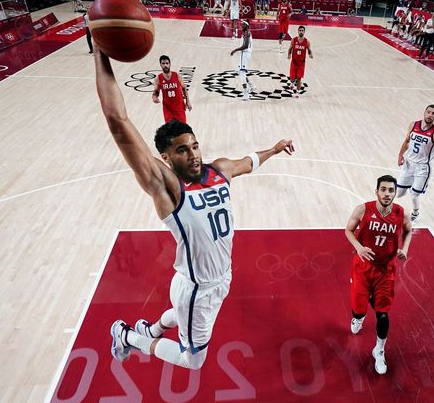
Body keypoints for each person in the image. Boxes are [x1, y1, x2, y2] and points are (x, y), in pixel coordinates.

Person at [93, 48, 296, 371]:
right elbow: (118, 121)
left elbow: (249, 162)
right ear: (166, 158)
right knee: (194, 360)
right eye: (182, 150)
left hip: (221, 279)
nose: (193, 155)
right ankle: (127, 335)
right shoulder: (168, 188)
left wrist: (274, 147)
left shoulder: (220, 170)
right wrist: (102, 53)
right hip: (196, 287)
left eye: (195, 145)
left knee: (180, 314)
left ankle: (152, 328)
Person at [345, 175, 413, 375]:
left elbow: (409, 231)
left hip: (385, 270)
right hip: (363, 267)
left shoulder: (402, 213)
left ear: (394, 193)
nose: (387, 194)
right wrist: (358, 247)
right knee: (358, 309)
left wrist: (405, 248)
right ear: (377, 192)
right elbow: (348, 230)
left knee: (382, 313)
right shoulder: (363, 209)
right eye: (383, 190)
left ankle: (379, 350)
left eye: (391, 190)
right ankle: (358, 318)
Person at [396, 104, 434, 223]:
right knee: (399, 194)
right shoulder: (413, 125)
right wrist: (400, 155)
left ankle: (415, 213)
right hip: (408, 164)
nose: (430, 115)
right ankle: (411, 186)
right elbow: (407, 141)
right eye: (428, 112)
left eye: (433, 113)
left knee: (414, 195)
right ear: (424, 112)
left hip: (423, 168)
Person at [152, 55, 192, 123]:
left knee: (182, 130)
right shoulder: (158, 78)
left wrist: (188, 101)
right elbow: (156, 91)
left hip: (179, 108)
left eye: (167, 63)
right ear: (160, 65)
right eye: (163, 63)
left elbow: (184, 89)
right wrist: (154, 97)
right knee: (170, 131)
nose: (165, 65)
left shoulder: (177, 75)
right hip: (168, 110)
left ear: (170, 64)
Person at [230, 20, 255, 101]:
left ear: (247, 25)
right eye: (241, 24)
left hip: (245, 54)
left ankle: (246, 93)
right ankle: (251, 86)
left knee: (242, 73)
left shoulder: (246, 33)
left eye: (243, 24)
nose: (241, 25)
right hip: (245, 54)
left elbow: (246, 46)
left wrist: (235, 50)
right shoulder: (246, 32)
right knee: (240, 71)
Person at [287, 25, 313, 98]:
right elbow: (290, 49)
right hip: (294, 62)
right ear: (298, 31)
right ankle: (292, 83)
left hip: (301, 63)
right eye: (300, 30)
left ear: (304, 32)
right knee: (292, 78)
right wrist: (289, 55)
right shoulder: (293, 40)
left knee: (299, 78)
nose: (301, 32)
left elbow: (309, 50)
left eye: (302, 30)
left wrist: (310, 54)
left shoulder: (307, 42)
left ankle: (297, 92)